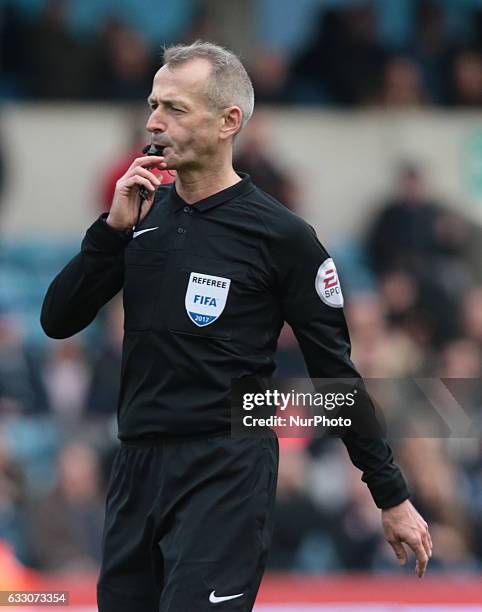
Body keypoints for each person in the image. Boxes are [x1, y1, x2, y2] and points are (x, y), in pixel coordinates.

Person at [40, 41, 432, 612]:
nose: (153, 121)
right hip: (136, 471)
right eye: (153, 104)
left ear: (229, 122)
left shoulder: (283, 237)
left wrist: (390, 494)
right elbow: (57, 320)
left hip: (224, 472)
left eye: (174, 108)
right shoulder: (141, 214)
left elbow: (336, 378)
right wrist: (109, 232)